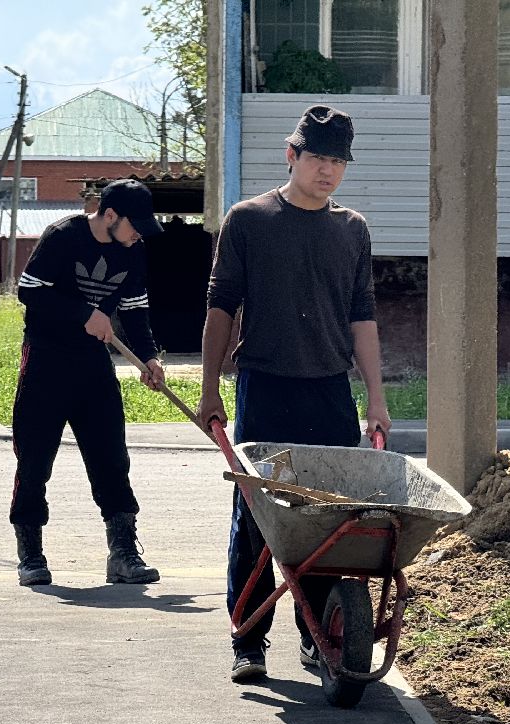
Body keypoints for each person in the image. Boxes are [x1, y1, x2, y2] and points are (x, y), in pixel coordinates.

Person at [198, 104, 392, 683]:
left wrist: (375, 399)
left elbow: (362, 317)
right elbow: (221, 307)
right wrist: (210, 389)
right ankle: (248, 638)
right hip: (266, 387)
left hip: (329, 392)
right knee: (258, 517)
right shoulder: (249, 220)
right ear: (292, 155)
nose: (327, 170)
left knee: (328, 522)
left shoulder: (351, 229)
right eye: (317, 158)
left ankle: (318, 636)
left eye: (338, 161)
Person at [10, 178, 168, 588]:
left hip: (92, 365)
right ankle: (31, 554)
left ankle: (123, 553)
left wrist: (148, 356)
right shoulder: (63, 236)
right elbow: (29, 291)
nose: (138, 236)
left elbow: (134, 309)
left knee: (111, 458)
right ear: (110, 215)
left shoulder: (134, 252)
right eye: (135, 226)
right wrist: (84, 314)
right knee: (34, 459)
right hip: (46, 359)